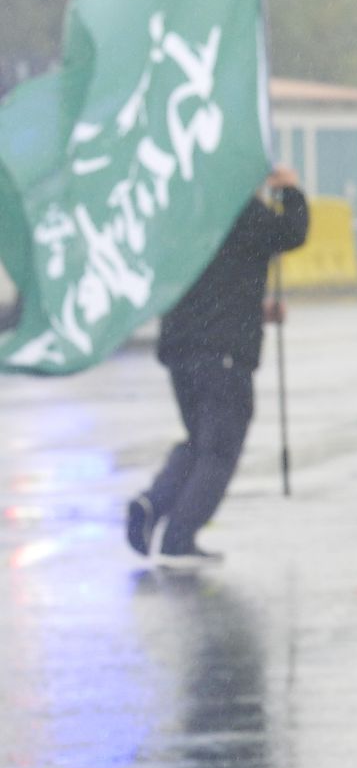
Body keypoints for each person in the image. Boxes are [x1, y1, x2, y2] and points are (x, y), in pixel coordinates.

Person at [124, 167, 309, 567]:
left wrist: (256, 313)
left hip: (181, 349)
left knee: (198, 439)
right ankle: (179, 539)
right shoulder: (239, 210)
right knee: (220, 448)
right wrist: (290, 190)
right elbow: (290, 233)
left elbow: (215, 285)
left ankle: (152, 504)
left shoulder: (189, 216)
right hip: (221, 355)